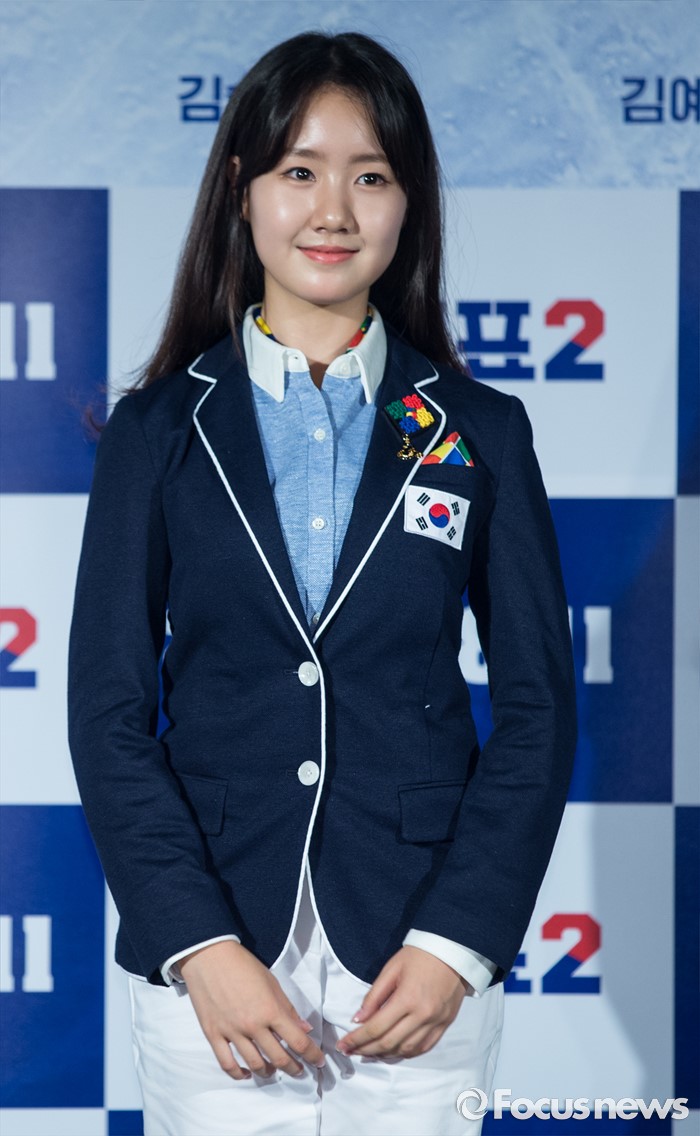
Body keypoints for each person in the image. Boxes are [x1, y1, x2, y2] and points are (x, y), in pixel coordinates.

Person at [68, 30, 577, 1136]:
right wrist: (198, 945)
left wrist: (456, 941)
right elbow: (107, 712)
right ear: (242, 190)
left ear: (409, 202)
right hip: (216, 967)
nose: (333, 210)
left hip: (415, 967)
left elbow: (539, 709)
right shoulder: (158, 431)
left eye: (371, 176)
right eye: (299, 171)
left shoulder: (480, 430)